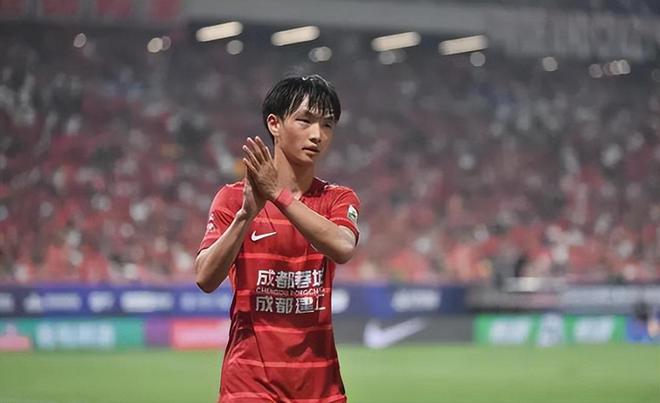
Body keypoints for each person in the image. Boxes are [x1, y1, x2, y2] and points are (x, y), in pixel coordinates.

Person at [195, 75, 360, 403]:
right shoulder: (233, 199)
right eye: (305, 121)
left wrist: (278, 195)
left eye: (327, 125)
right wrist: (246, 215)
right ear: (274, 124)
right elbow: (205, 278)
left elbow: (343, 247)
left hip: (320, 387)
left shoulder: (338, 198)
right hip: (249, 385)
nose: (317, 134)